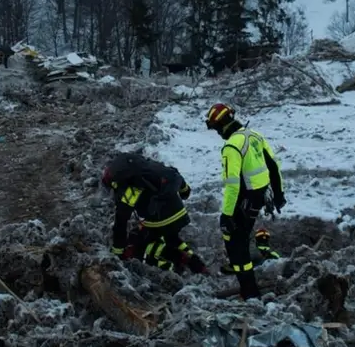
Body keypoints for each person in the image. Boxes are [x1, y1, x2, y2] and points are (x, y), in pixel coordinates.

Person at [205, 102, 286, 300]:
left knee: (234, 242)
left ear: (221, 125)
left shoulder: (232, 146)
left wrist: (226, 214)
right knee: (240, 238)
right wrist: (278, 194)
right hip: (259, 196)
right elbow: (274, 165)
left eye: (216, 129)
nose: (218, 134)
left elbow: (232, 185)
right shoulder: (254, 135)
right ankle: (247, 286)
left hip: (244, 198)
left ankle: (249, 293)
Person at [100, 151, 208, 275]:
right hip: (179, 212)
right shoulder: (150, 169)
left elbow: (121, 222)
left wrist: (118, 252)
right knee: (171, 238)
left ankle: (175, 264)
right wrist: (185, 191)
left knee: (140, 246)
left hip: (160, 219)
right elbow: (174, 173)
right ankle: (196, 264)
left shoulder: (128, 188)